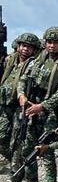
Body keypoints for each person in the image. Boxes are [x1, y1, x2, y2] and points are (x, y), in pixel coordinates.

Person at [9, 26, 58, 182]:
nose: (51, 46)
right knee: (27, 144)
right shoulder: (37, 59)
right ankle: (29, 180)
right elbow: (23, 80)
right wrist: (22, 96)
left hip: (52, 111)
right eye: (49, 42)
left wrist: (42, 106)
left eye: (55, 43)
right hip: (31, 107)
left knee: (46, 147)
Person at [0, 33, 41, 166]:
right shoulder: (9, 60)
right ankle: (13, 161)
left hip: (21, 106)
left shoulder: (35, 64)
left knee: (17, 140)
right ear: (18, 46)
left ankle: (16, 173)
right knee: (1, 137)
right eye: (23, 46)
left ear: (34, 50)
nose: (25, 49)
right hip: (5, 104)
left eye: (29, 47)